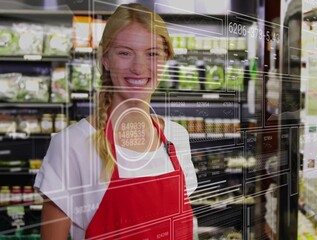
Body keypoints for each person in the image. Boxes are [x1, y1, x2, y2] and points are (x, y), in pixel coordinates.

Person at [34, 3, 197, 239]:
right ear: (105, 59)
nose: (139, 67)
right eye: (125, 52)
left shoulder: (177, 137)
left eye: (152, 54)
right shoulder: (72, 144)